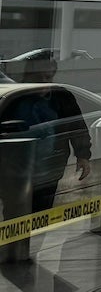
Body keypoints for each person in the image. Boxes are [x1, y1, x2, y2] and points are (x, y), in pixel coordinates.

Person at [0, 54, 92, 264]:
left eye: (48, 77)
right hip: (15, 170)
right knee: (16, 212)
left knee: (40, 213)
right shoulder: (17, 97)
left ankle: (27, 251)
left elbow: (76, 126)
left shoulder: (62, 97)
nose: (44, 83)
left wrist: (83, 155)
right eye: (39, 77)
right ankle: (13, 253)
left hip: (49, 168)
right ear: (28, 76)